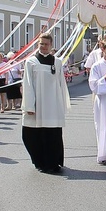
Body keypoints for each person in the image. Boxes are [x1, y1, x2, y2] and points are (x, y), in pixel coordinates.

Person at [22, 33, 70, 173]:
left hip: (53, 104)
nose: (43, 47)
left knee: (53, 135)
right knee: (32, 135)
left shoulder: (57, 62)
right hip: (37, 105)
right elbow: (28, 84)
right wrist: (29, 106)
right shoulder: (31, 62)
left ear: (51, 45)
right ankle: (40, 162)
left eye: (46, 44)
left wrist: (62, 104)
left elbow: (61, 84)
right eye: (41, 44)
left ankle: (53, 163)